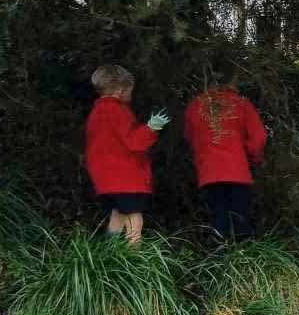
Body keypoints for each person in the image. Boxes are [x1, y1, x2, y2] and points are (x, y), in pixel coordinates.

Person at [84, 64, 168, 245]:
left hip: (105, 179)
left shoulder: (96, 112)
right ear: (121, 90)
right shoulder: (117, 110)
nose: (131, 94)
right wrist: (151, 128)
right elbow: (134, 142)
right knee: (134, 218)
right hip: (125, 176)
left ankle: (110, 254)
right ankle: (134, 257)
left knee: (117, 213)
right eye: (130, 90)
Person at [183, 71, 268, 242]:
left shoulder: (195, 106)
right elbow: (259, 137)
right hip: (238, 171)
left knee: (217, 217)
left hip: (209, 172)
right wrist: (253, 157)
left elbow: (189, 136)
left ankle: (217, 259)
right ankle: (243, 259)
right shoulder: (241, 104)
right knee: (240, 218)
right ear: (233, 81)